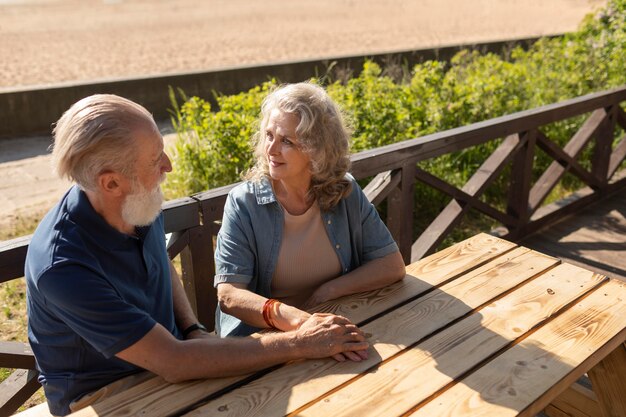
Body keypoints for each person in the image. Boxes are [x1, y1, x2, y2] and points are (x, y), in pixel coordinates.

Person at [24, 94, 369, 416]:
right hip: (105, 395)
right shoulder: (63, 266)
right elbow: (174, 362)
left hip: (170, 362)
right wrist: (299, 343)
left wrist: (191, 328)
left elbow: (159, 263)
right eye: (155, 159)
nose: (169, 165)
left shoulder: (133, 200)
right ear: (111, 183)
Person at [214, 82, 406, 350]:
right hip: (268, 344)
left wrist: (328, 291)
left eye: (286, 141)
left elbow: (391, 265)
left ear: (317, 148)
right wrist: (302, 323)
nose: (271, 150)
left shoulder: (344, 191)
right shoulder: (244, 203)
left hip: (338, 324)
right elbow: (229, 295)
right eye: (269, 135)